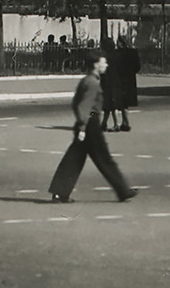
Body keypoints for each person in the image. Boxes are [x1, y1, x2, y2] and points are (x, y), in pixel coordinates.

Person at [48, 54, 136, 204]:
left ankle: (59, 192)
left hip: (85, 124)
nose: (106, 65)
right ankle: (123, 190)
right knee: (104, 159)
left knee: (73, 160)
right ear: (96, 64)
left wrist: (80, 124)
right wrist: (83, 127)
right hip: (90, 125)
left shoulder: (86, 81)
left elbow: (76, 103)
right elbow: (85, 106)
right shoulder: (93, 83)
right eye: (103, 62)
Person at [109, 33, 140, 132]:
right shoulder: (133, 52)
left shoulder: (116, 53)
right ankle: (125, 123)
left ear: (121, 43)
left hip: (118, 79)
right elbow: (137, 67)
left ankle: (119, 123)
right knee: (125, 103)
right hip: (130, 80)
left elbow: (113, 67)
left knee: (117, 102)